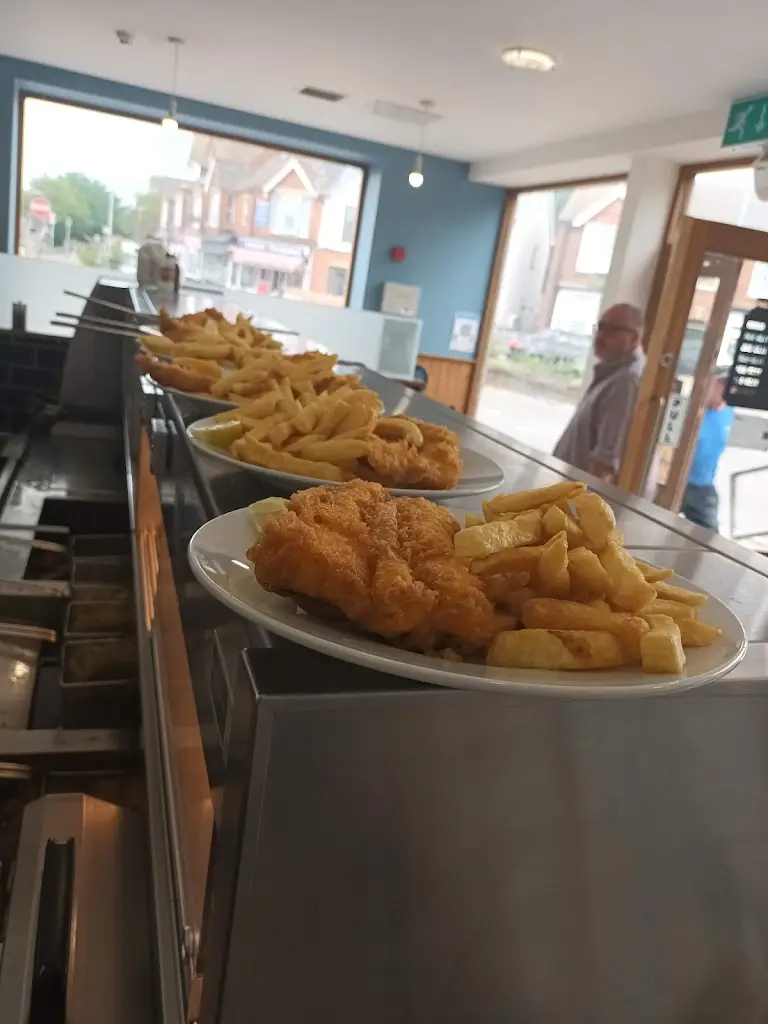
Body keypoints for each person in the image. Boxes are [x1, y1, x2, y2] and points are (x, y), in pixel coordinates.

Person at [553, 303, 645, 482]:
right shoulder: (613, 374)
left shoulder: (625, 383)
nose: (600, 337)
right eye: (600, 328)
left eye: (611, 331)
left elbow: (605, 465)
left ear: (634, 338)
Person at [681, 369, 734, 532]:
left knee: (710, 537)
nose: (723, 391)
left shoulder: (728, 412)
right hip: (678, 481)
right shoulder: (690, 410)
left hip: (702, 485)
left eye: (727, 386)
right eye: (719, 384)